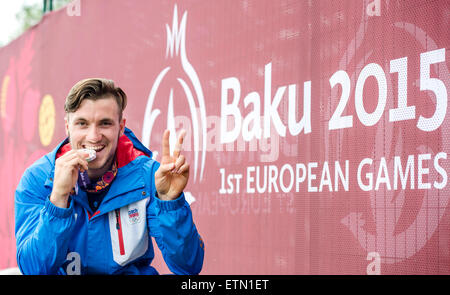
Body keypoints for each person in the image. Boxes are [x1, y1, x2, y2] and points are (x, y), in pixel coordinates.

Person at [14, 78, 204, 275]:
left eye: (105, 123)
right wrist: (58, 199)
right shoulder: (38, 179)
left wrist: (170, 203)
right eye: (82, 123)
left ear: (121, 128)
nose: (94, 136)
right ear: (68, 126)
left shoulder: (149, 176)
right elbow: (34, 269)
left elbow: (188, 266)